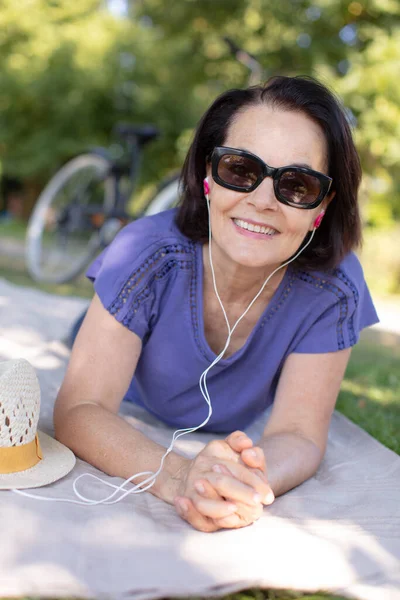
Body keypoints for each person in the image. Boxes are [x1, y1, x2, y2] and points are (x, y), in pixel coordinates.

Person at [54, 75, 379, 532]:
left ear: (322, 206)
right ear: (207, 175)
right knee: (80, 341)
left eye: (298, 184)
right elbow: (80, 408)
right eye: (241, 170)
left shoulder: (336, 289)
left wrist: (240, 482)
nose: (262, 200)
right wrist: (180, 475)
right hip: (132, 378)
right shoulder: (144, 253)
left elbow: (299, 435)